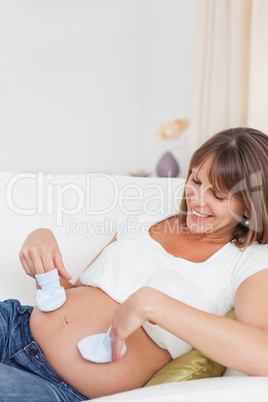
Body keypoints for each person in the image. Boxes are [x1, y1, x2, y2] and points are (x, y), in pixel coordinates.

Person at [1, 127, 268, 401]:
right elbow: (71, 295)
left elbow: (263, 355)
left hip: (59, 388)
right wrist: (41, 248)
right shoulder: (150, 216)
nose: (197, 200)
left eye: (219, 196)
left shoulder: (248, 259)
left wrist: (154, 306)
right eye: (196, 181)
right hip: (12, 324)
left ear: (248, 206)